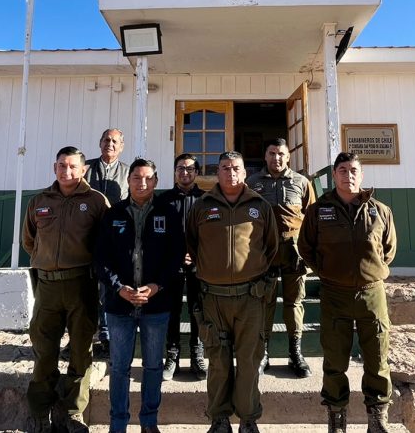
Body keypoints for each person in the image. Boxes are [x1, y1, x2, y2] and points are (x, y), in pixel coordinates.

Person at [298, 152, 397, 433]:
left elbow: (388, 251)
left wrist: (370, 272)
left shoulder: (380, 211)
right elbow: (306, 248)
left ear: (361, 174)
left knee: (377, 358)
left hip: (371, 294)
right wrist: (327, 272)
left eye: (353, 170)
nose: (348, 175)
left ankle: (377, 418)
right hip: (335, 294)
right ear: (335, 175)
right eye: (342, 170)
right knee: (335, 360)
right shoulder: (319, 211)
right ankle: (336, 417)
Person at [187, 151, 278, 433]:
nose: (230, 172)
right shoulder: (201, 206)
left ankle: (248, 419)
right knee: (218, 362)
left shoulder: (260, 206)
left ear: (245, 172)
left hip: (250, 298)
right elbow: (192, 245)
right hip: (213, 298)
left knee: (249, 362)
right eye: (224, 168)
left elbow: (271, 247)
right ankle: (219, 418)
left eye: (236, 168)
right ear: (217, 172)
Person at [22, 146, 110, 433]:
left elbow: (107, 243)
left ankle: (73, 411)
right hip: (46, 286)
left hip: (81, 285)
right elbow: (29, 241)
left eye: (73, 166)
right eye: (62, 165)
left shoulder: (96, 201)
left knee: (81, 351)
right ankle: (40, 411)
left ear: (84, 169)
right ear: (54, 167)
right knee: (44, 349)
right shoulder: (39, 201)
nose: (67, 171)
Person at [95, 159, 184, 433]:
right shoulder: (113, 214)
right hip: (119, 305)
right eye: (136, 177)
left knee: (153, 367)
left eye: (147, 178)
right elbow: (101, 257)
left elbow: (176, 256)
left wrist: (156, 286)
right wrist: (118, 287)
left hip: (155, 305)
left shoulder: (168, 213)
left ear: (155, 181)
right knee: (119, 368)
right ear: (128, 180)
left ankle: (149, 422)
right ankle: (118, 424)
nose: (141, 183)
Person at [246, 138, 316, 378]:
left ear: (288, 157)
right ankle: (263, 353)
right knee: (263, 303)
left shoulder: (302, 182)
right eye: (272, 153)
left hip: (293, 252)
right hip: (264, 252)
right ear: (265, 156)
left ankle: (295, 353)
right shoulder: (252, 183)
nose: (276, 158)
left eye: (281, 154)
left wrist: (310, 252)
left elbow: (312, 218)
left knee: (294, 304)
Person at [156, 153, 208, 381]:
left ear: (196, 172)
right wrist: (177, 255)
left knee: (197, 310)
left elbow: (211, 235)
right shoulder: (163, 200)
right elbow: (158, 234)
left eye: (189, 169)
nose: (184, 173)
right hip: (171, 265)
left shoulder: (206, 200)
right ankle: (172, 357)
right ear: (175, 171)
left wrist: (194, 255)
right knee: (173, 310)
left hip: (199, 265)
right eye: (180, 168)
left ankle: (197, 355)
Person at [85, 128, 130, 356]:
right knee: (84, 290)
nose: (109, 144)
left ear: (121, 146)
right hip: (85, 238)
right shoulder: (85, 168)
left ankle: (106, 336)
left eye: (114, 141)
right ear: (99, 142)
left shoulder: (128, 172)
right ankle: (82, 338)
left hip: (113, 240)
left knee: (108, 288)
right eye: (106, 140)